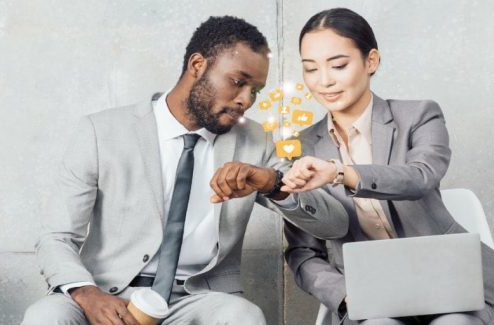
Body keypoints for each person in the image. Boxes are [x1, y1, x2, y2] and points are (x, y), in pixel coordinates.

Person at [22, 15, 348, 325]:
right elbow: (57, 237)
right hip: (107, 290)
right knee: (46, 317)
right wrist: (86, 293)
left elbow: (334, 222)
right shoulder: (101, 131)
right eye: (237, 82)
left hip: (197, 298)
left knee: (242, 317)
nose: (246, 100)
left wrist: (271, 182)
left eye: (255, 91)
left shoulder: (255, 141)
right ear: (197, 65)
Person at [282, 8, 494, 325]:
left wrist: (342, 172)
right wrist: (346, 294)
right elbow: (304, 252)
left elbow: (421, 177)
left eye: (338, 65)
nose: (324, 81)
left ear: (371, 61)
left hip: (449, 285)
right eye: (311, 69)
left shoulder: (419, 115)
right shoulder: (302, 148)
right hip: (370, 299)